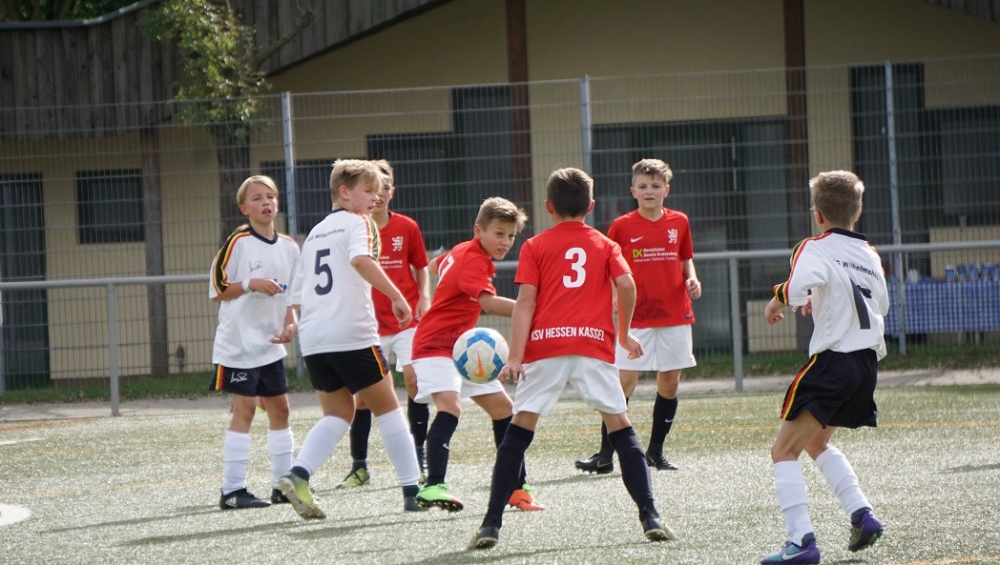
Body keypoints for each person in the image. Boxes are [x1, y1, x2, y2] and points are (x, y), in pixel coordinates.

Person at [468, 168, 676, 549]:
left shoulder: (534, 246)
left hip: (544, 347)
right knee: (621, 427)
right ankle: (651, 516)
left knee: (518, 432)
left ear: (548, 207)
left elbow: (525, 303)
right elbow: (627, 284)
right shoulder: (604, 244)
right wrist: (624, 333)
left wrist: (516, 356)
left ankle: (490, 524)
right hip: (591, 346)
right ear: (590, 206)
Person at [277, 159, 422, 519]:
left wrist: (292, 324)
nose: (375, 197)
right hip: (352, 335)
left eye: (378, 190)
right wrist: (397, 296)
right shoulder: (360, 222)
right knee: (388, 409)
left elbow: (296, 295)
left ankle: (298, 474)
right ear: (344, 192)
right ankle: (412, 491)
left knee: (340, 413)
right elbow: (361, 260)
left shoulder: (315, 233)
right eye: (368, 190)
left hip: (314, 339)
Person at [759, 170, 887, 565]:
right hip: (866, 365)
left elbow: (796, 287)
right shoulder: (870, 253)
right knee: (816, 443)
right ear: (858, 212)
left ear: (817, 215)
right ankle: (862, 515)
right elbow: (878, 305)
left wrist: (774, 304)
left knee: (783, 450)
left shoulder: (812, 247)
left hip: (834, 363)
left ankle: (802, 542)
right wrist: (823, 298)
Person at [411, 197, 544, 513]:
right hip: (435, 346)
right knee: (450, 406)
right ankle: (433, 485)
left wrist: (427, 294)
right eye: (498, 233)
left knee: (504, 410)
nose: (506, 242)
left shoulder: (462, 251)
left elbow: (434, 266)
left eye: (510, 235)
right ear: (478, 230)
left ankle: (517, 489)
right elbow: (489, 303)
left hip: (464, 350)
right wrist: (536, 310)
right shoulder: (474, 260)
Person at [575, 158, 701, 474]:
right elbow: (610, 268)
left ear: (666, 190)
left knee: (669, 382)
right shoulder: (621, 226)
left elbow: (685, 260)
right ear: (633, 191)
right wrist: (613, 297)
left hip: (674, 313)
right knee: (623, 382)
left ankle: (655, 452)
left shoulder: (680, 222)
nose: (649, 191)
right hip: (636, 317)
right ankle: (605, 454)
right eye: (643, 186)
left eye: (656, 186)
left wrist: (692, 279)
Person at [336, 159, 432, 489]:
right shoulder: (354, 228)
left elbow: (421, 266)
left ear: (392, 191)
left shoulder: (407, 227)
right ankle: (359, 466)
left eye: (386, 187)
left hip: (406, 321)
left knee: (415, 382)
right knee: (363, 398)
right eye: (374, 188)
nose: (380, 194)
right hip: (369, 323)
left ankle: (419, 459)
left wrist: (423, 297)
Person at [208, 175, 300, 510]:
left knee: (281, 409)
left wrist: (292, 322)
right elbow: (218, 290)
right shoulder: (238, 242)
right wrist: (250, 283)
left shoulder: (290, 246)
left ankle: (282, 486)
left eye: (270, 196)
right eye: (257, 198)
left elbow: (291, 295)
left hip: (269, 344)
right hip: (239, 344)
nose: (266, 202)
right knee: (244, 410)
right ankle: (232, 491)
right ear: (244, 208)